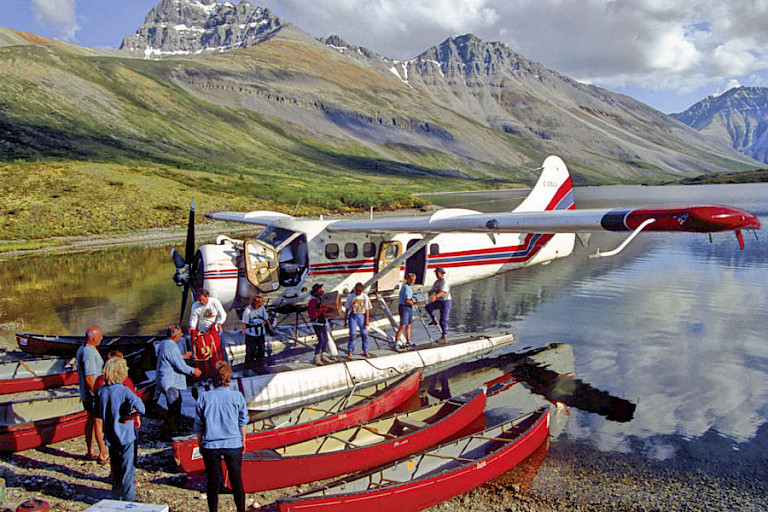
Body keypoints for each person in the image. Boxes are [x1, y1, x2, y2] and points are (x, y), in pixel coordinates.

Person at [195, 361, 248, 512]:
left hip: (211, 445)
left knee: (212, 481)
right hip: (232, 443)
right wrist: (243, 439)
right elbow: (242, 421)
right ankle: (241, 510)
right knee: (236, 480)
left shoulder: (204, 397)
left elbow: (199, 424)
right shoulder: (237, 396)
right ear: (228, 378)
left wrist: (200, 443)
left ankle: (213, 510)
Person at [94, 357, 145, 502]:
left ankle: (115, 500)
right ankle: (129, 503)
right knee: (128, 472)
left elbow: (97, 415)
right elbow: (141, 407)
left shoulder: (100, 391)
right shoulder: (125, 391)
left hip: (110, 435)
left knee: (116, 471)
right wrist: (132, 415)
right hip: (126, 435)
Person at [156, 325, 202, 439]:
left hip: (165, 380)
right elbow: (180, 366)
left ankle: (173, 428)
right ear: (175, 335)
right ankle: (169, 432)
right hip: (169, 382)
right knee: (174, 406)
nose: (181, 336)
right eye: (180, 334)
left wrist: (182, 356)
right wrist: (193, 371)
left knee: (176, 403)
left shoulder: (164, 343)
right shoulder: (171, 347)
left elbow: (170, 358)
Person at [95, 350, 137, 464]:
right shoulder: (125, 381)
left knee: (99, 424)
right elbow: (133, 404)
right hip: (121, 421)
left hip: (106, 419)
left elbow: (98, 416)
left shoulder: (99, 381)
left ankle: (104, 453)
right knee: (125, 452)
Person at [76, 326, 104, 461]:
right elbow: (89, 377)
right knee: (98, 421)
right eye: (100, 336)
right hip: (92, 394)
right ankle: (104, 454)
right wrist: (97, 395)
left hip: (86, 394)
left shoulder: (82, 348)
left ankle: (90, 451)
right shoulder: (89, 353)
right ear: (93, 338)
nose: (102, 338)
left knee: (91, 420)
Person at [189, 288, 228, 379]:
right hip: (203, 332)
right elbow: (194, 319)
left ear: (207, 296)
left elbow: (223, 315)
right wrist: (192, 327)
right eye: (200, 300)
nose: (201, 302)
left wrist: (218, 323)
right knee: (206, 353)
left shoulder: (214, 302)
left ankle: (226, 370)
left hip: (215, 330)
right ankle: (210, 373)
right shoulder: (195, 306)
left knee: (221, 350)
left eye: (203, 299)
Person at [241, 295, 273, 374]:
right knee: (250, 351)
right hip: (251, 333)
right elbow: (244, 322)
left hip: (260, 332)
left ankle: (260, 366)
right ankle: (248, 367)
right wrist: (243, 330)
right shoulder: (247, 310)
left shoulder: (261, 308)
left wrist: (269, 325)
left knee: (261, 350)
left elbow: (265, 318)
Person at [343, 282, 372, 358]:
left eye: (359, 290)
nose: (357, 292)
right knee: (352, 334)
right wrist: (345, 320)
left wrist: (367, 320)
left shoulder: (365, 297)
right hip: (353, 316)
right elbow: (347, 309)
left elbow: (367, 310)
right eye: (356, 290)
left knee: (364, 334)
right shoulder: (351, 297)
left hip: (362, 316)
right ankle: (350, 351)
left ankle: (365, 350)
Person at [308, 283, 333, 366]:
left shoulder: (320, 299)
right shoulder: (312, 301)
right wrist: (321, 309)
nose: (322, 291)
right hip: (316, 323)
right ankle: (316, 356)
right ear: (316, 291)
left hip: (322, 322)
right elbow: (313, 314)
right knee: (321, 340)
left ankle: (323, 355)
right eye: (320, 289)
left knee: (326, 340)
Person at [426, 267, 452, 343]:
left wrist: (436, 296)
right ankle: (434, 319)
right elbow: (432, 290)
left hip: (445, 301)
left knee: (443, 320)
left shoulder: (445, 282)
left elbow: (443, 292)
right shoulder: (436, 282)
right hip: (439, 301)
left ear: (442, 274)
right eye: (436, 273)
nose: (436, 275)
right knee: (428, 307)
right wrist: (425, 295)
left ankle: (444, 336)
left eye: (438, 273)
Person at [395, 273, 420, 349]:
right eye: (412, 280)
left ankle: (408, 340)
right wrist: (415, 303)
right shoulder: (405, 287)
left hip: (409, 307)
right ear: (408, 279)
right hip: (404, 307)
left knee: (409, 325)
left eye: (414, 280)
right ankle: (396, 342)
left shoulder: (409, 287)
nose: (413, 281)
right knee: (403, 325)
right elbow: (407, 300)